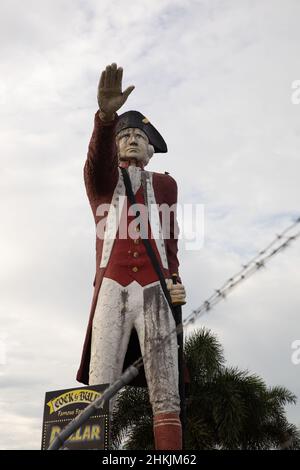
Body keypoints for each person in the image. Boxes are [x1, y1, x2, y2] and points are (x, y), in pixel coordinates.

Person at [76, 63, 186, 450]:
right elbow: (95, 164)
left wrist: (174, 278)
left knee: (166, 388)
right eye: (126, 135)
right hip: (112, 287)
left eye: (140, 136)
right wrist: (106, 118)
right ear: (115, 145)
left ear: (151, 149)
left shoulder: (166, 185)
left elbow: (169, 240)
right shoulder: (103, 184)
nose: (134, 140)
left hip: (155, 288)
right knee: (101, 386)